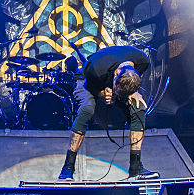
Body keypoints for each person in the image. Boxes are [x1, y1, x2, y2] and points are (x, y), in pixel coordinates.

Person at [58, 44, 159, 180]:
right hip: (87, 82)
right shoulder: (96, 68)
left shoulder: (143, 61)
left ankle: (136, 169)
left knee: (138, 106)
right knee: (87, 108)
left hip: (116, 80)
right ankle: (67, 168)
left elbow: (131, 81)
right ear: (116, 74)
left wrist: (134, 92)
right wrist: (102, 93)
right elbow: (92, 89)